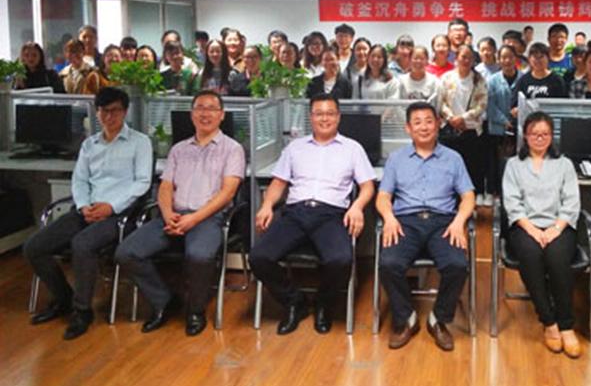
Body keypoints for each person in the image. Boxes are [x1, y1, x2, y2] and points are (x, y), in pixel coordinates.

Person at [24, 87, 152, 340]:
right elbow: (79, 181)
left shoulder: (140, 142)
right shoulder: (89, 145)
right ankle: (64, 299)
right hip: (86, 210)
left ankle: (82, 311)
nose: (109, 116)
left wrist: (110, 206)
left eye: (115, 111)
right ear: (97, 112)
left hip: (119, 215)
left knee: (82, 245)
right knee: (34, 247)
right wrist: (84, 206)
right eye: (104, 111)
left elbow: (142, 183)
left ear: (125, 111)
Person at [115, 91, 245, 337]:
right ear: (192, 114)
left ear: (221, 115)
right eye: (200, 108)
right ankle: (164, 301)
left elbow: (228, 193)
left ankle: (195, 311)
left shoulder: (232, 149)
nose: (205, 114)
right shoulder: (178, 149)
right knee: (126, 252)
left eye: (211, 109)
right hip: (172, 216)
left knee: (199, 256)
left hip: (208, 218)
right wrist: (167, 214)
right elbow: (165, 187)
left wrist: (193, 219)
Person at [250, 94, 376, 334]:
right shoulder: (294, 147)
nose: (324, 118)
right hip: (295, 213)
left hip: (331, 215)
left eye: (330, 113)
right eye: (319, 113)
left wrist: (357, 206)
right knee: (259, 257)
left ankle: (323, 304)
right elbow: (278, 182)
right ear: (311, 117)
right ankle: (294, 302)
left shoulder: (352, 149)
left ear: (338, 117)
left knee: (341, 260)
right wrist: (267, 205)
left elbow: (368, 185)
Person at [377, 101, 475, 351]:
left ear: (438, 125)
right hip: (405, 222)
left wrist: (459, 222)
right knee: (389, 263)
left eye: (429, 121)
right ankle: (406, 318)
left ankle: (438, 319)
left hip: (443, 222)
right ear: (408, 128)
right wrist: (389, 218)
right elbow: (383, 196)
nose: (424, 127)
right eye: (417, 122)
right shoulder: (396, 159)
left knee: (457, 265)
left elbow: (468, 196)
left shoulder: (453, 158)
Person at [503, 112, 582, 358]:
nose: (540, 138)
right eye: (534, 134)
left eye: (545, 134)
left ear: (551, 136)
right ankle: (549, 322)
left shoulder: (564, 164)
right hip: (525, 226)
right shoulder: (514, 165)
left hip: (559, 226)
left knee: (557, 258)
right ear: (525, 136)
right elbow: (512, 203)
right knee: (531, 255)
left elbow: (571, 202)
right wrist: (533, 230)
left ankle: (566, 325)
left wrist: (555, 229)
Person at [439, 45, 488, 199]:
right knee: (448, 171)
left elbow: (482, 104)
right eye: (463, 57)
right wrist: (451, 118)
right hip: (449, 130)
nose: (466, 60)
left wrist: (463, 118)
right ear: (456, 58)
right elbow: (440, 102)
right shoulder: (447, 78)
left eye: (470, 58)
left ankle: (470, 204)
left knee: (471, 171)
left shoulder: (479, 80)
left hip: (471, 131)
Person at [486, 45, 523, 206]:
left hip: (519, 131)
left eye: (510, 57)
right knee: (496, 165)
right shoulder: (492, 80)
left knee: (516, 166)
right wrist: (504, 121)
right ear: (499, 60)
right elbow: (489, 105)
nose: (507, 61)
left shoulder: (524, 78)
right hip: (497, 130)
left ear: (516, 59)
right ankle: (496, 196)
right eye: (503, 57)